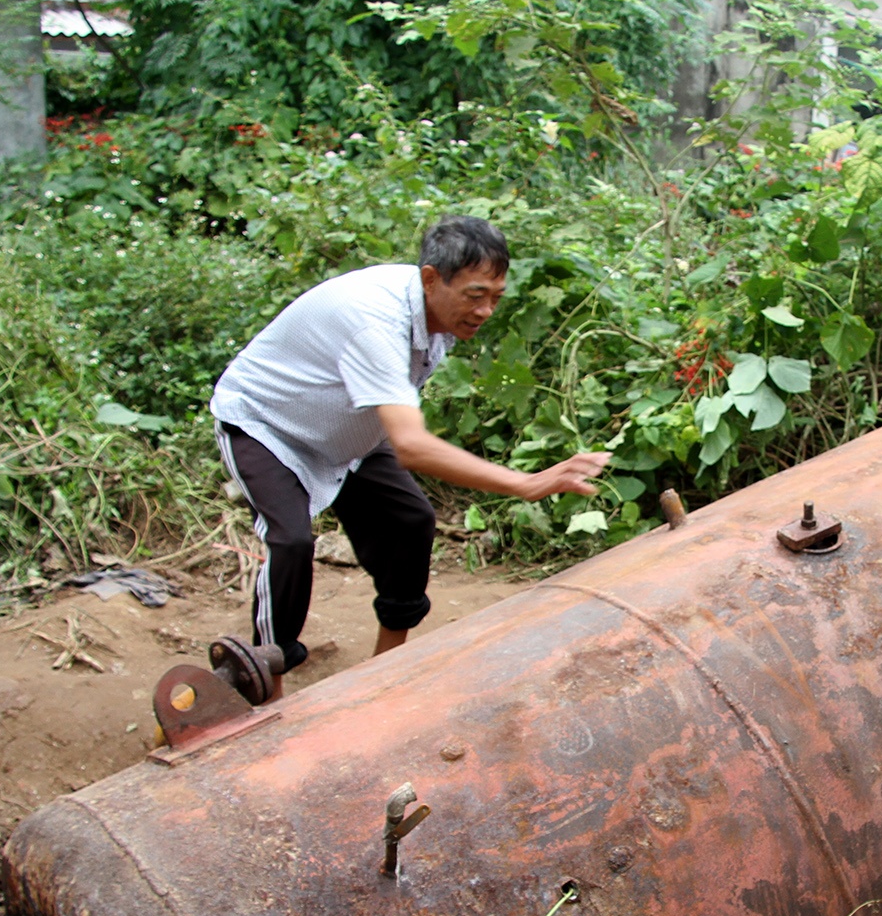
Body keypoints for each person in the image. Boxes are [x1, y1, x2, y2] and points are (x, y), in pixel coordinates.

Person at [210, 215, 609, 673]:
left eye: (496, 298)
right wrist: (524, 483)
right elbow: (412, 446)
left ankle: (387, 665)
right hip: (270, 425)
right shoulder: (374, 321)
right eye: (475, 296)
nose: (486, 312)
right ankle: (266, 680)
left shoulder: (440, 314)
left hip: (352, 429)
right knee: (292, 543)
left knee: (411, 522)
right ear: (430, 279)